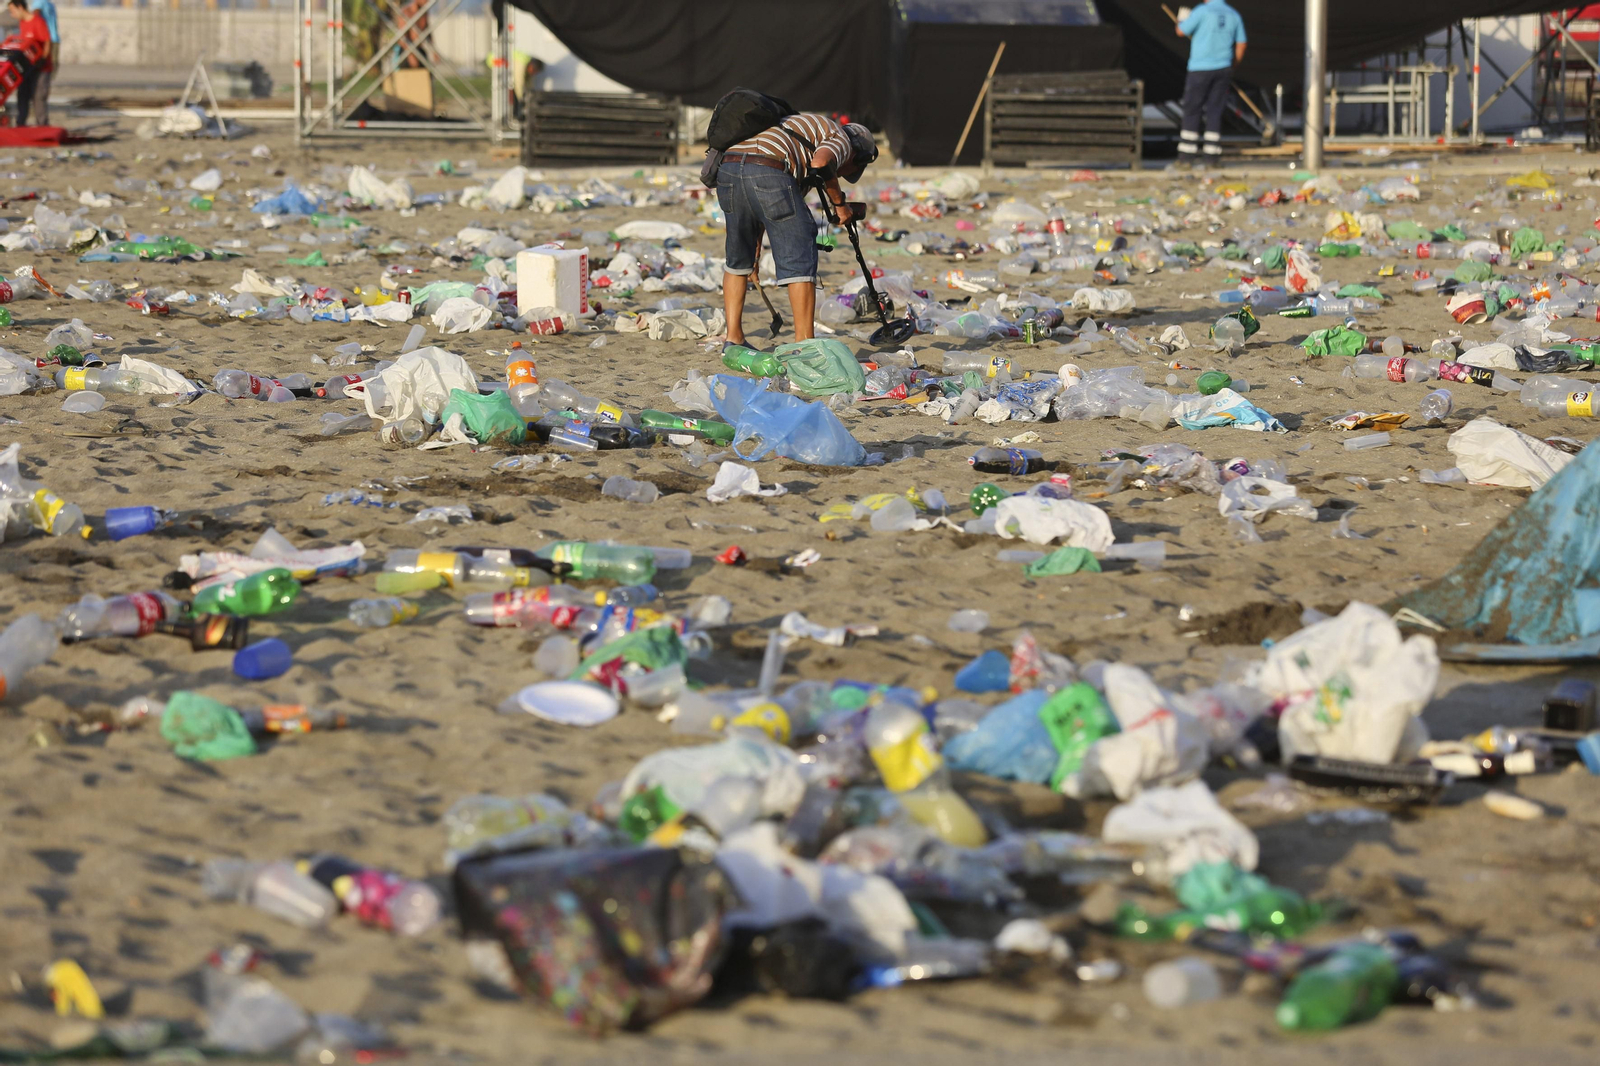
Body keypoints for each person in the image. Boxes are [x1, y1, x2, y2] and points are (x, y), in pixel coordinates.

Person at [718, 111, 878, 347]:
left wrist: (756, 250)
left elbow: (762, 208)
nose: (842, 174)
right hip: (769, 168)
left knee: (738, 260)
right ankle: (805, 345)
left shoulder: (801, 131)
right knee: (800, 255)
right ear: (857, 155)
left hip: (729, 169)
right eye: (848, 170)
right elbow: (822, 162)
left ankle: (733, 338)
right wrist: (840, 205)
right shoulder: (842, 138)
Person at [1174, 0, 1246, 168]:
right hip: (1223, 69)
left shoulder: (1202, 11)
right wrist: (1231, 66)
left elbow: (1180, 31)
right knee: (1215, 111)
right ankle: (1211, 158)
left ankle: (1186, 157)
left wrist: (1181, 20)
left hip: (1199, 69)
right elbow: (1242, 45)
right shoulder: (1234, 14)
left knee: (1192, 110)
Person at [8, 0, 51, 127]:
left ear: (20, 7)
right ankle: (21, 124)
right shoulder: (22, 23)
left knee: (39, 97)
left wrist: (43, 58)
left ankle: (42, 125)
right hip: (27, 67)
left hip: (41, 67)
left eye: (12, 11)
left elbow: (47, 41)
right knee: (22, 94)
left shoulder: (38, 21)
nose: (12, 14)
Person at [26, 0, 56, 125]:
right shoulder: (49, 3)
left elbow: (36, 16)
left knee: (43, 80)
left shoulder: (39, 2)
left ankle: (42, 119)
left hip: (45, 41)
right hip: (52, 38)